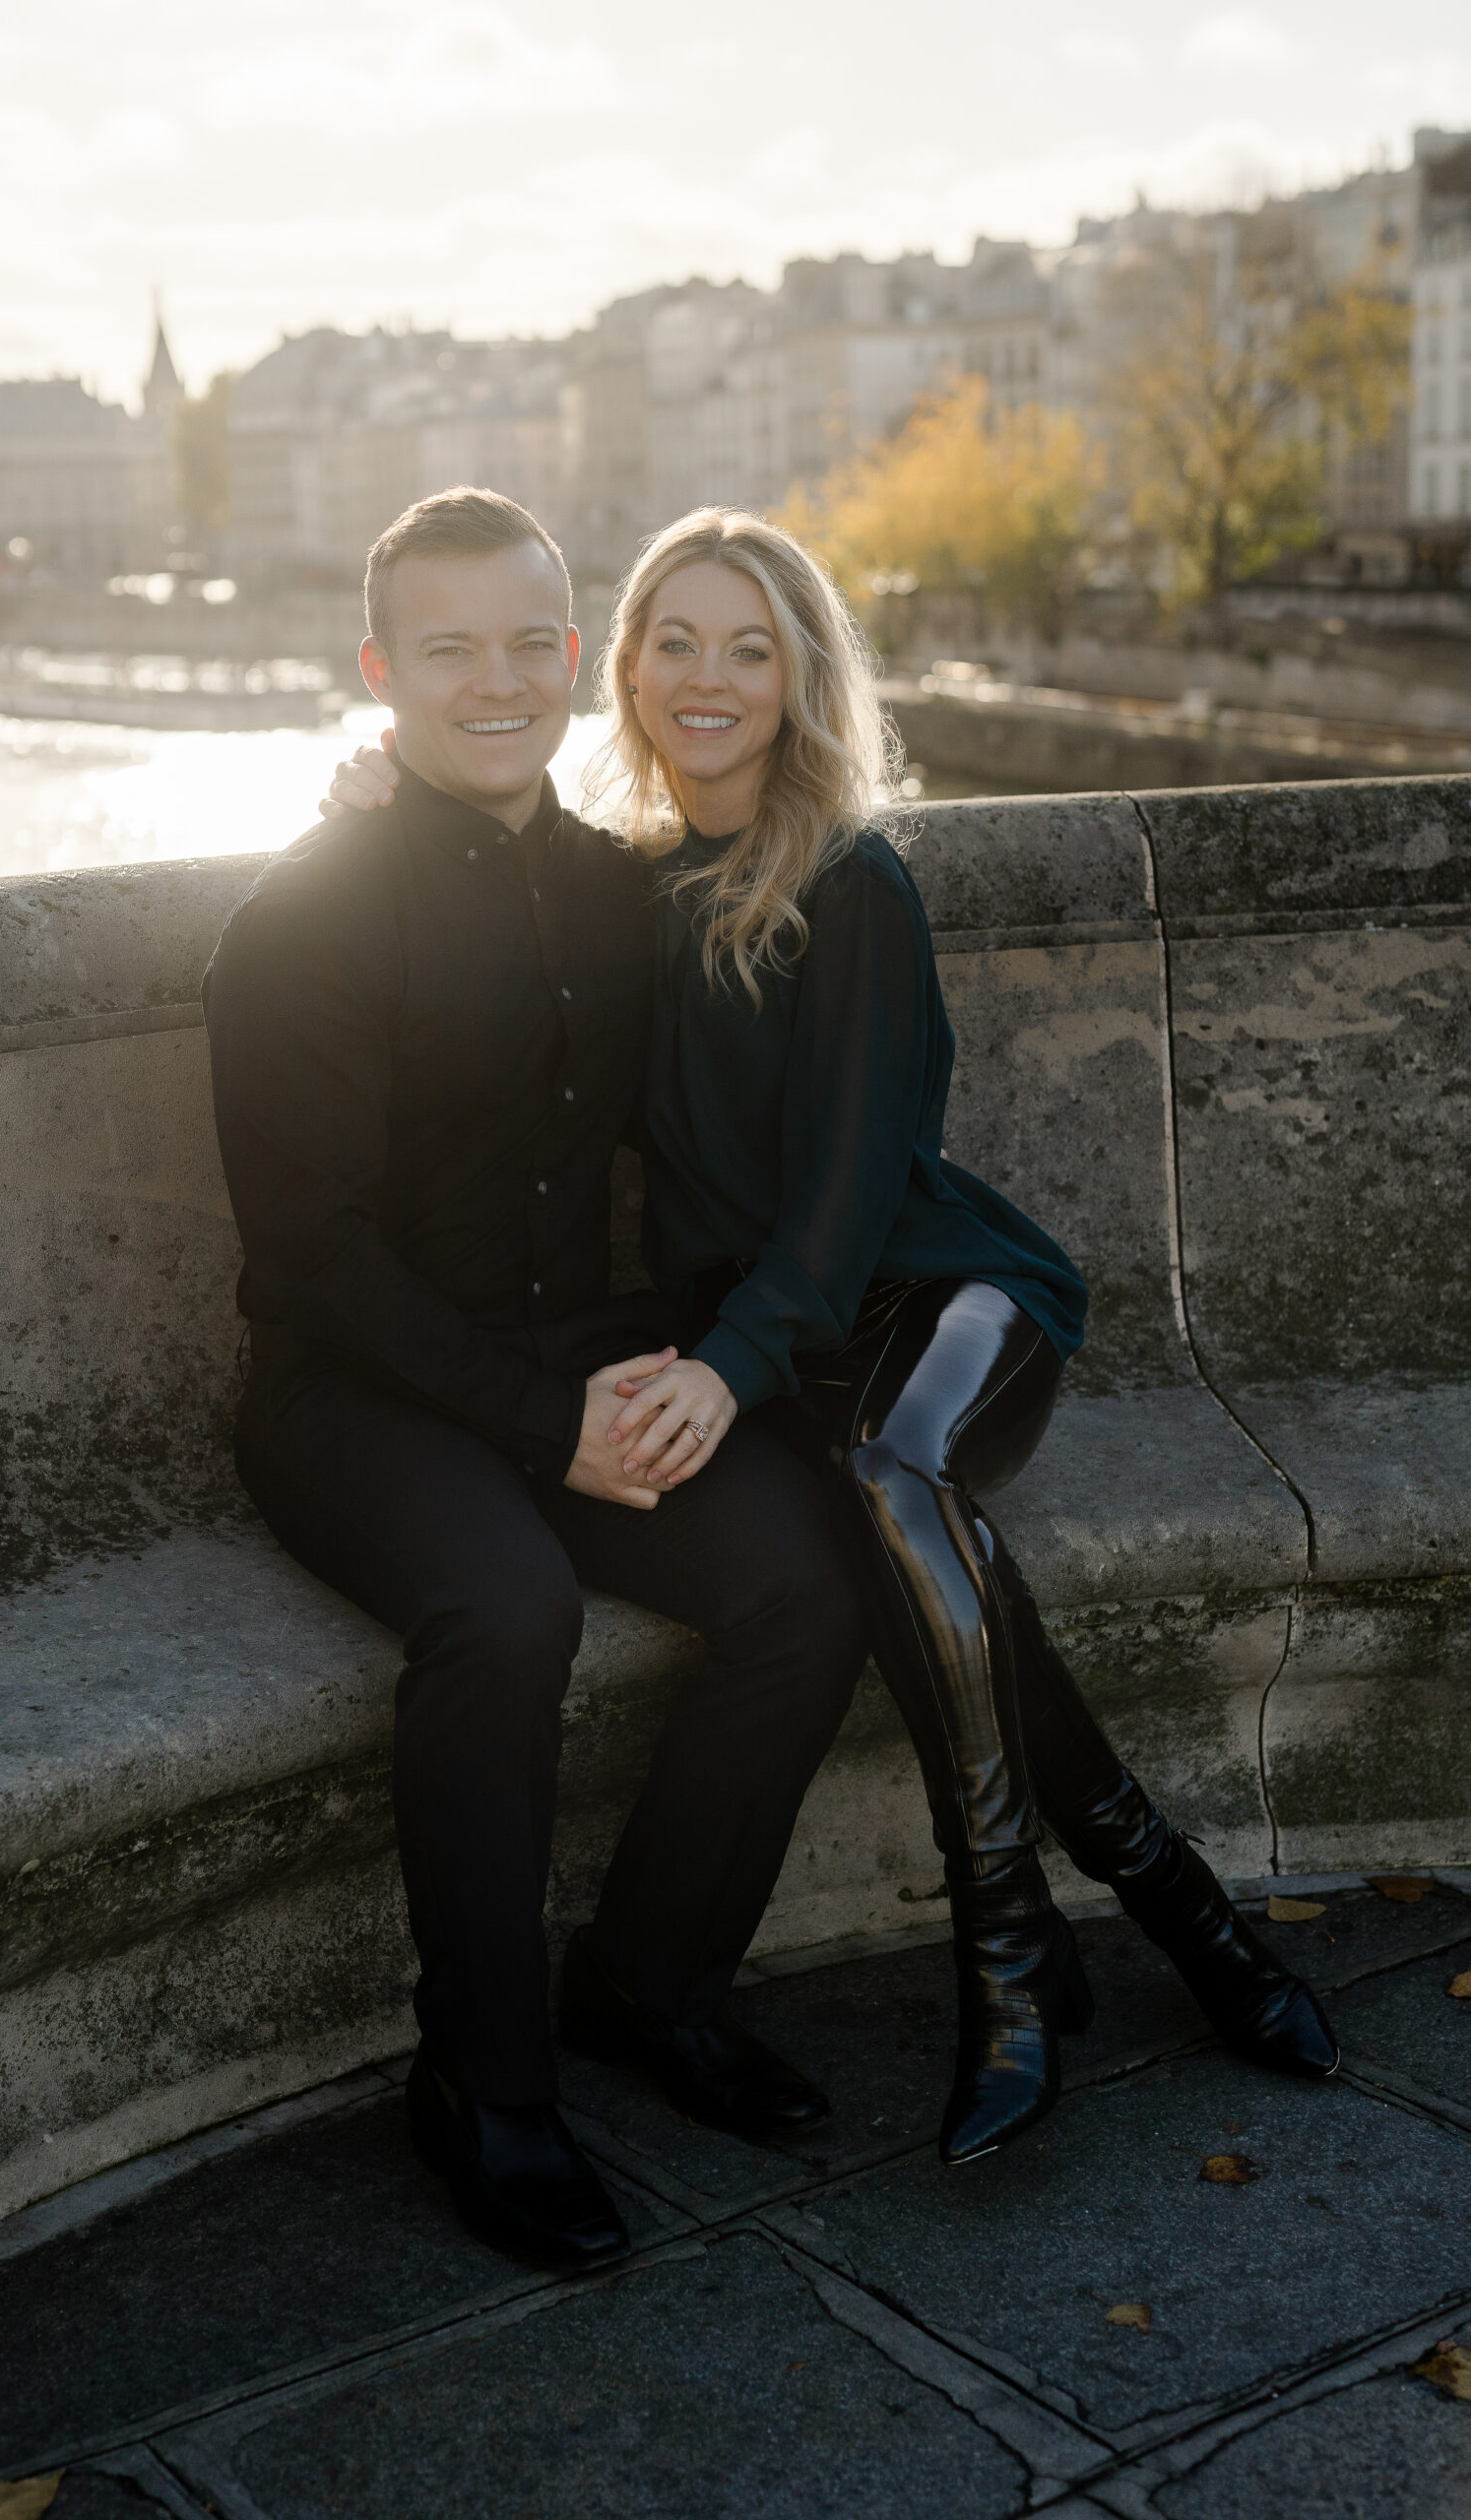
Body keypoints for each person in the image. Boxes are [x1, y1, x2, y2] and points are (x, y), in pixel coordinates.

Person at [326, 503, 1339, 2170]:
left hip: (942, 1300)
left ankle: (1006, 1948)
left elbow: (857, 1188)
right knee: (895, 1542)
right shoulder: (627, 894)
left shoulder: (851, 879)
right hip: (789, 1341)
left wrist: (728, 1368)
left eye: (750, 648)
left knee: (887, 1468)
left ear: (801, 679)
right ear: (627, 669)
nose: (708, 679)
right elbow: (466, 864)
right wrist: (369, 786)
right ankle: (1186, 1911)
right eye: (677, 642)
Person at [201, 488, 871, 2275]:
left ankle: (648, 1983)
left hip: (573, 1355)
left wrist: (650, 1386)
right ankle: (484, 2087)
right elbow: (311, 1261)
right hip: (351, 1394)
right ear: (380, 671)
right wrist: (542, 1424)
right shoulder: (303, 917)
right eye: (449, 649)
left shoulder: (619, 889)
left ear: (575, 658)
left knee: (809, 1575)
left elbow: (788, 879)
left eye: (530, 642)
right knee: (505, 1609)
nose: (496, 680)